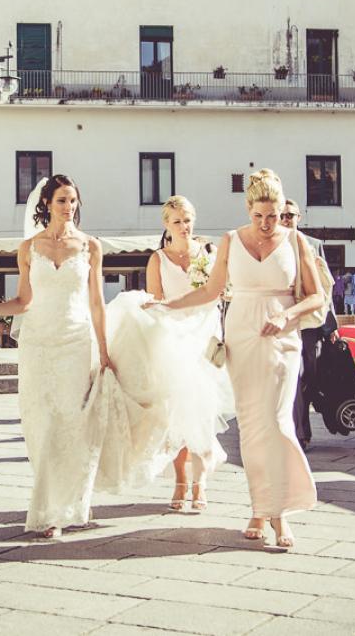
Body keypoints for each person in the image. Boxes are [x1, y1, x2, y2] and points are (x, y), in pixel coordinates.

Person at [150, 169, 323, 550]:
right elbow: (212, 291)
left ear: (282, 211)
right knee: (251, 427)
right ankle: (260, 509)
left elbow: (316, 298)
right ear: (248, 209)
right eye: (258, 215)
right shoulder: (230, 241)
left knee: (278, 423)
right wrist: (167, 305)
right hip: (242, 338)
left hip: (282, 340)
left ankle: (279, 514)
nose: (265, 224)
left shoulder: (296, 242)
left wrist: (286, 316)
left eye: (273, 216)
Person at [0, 175, 113, 538]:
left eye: (73, 201)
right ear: (47, 203)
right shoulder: (28, 248)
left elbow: (97, 303)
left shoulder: (91, 247)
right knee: (40, 423)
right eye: (62, 200)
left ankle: (61, 507)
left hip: (75, 341)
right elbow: (24, 301)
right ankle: (51, 506)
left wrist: (105, 350)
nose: (69, 208)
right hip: (36, 343)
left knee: (70, 422)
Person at [144, 195, 234, 512]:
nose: (185, 226)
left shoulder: (209, 253)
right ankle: (180, 480)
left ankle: (201, 482)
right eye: (178, 221)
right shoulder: (158, 259)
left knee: (203, 412)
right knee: (177, 415)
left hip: (208, 337)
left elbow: (225, 291)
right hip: (174, 340)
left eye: (188, 220)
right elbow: (155, 303)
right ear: (167, 224)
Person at [280, 199, 338, 450]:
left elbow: (325, 288)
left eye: (290, 215)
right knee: (296, 376)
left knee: (310, 378)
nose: (285, 219)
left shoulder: (312, 245)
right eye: (281, 215)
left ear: (299, 217)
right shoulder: (273, 245)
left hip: (312, 325)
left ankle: (307, 422)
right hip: (286, 321)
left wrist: (331, 325)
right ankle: (301, 433)